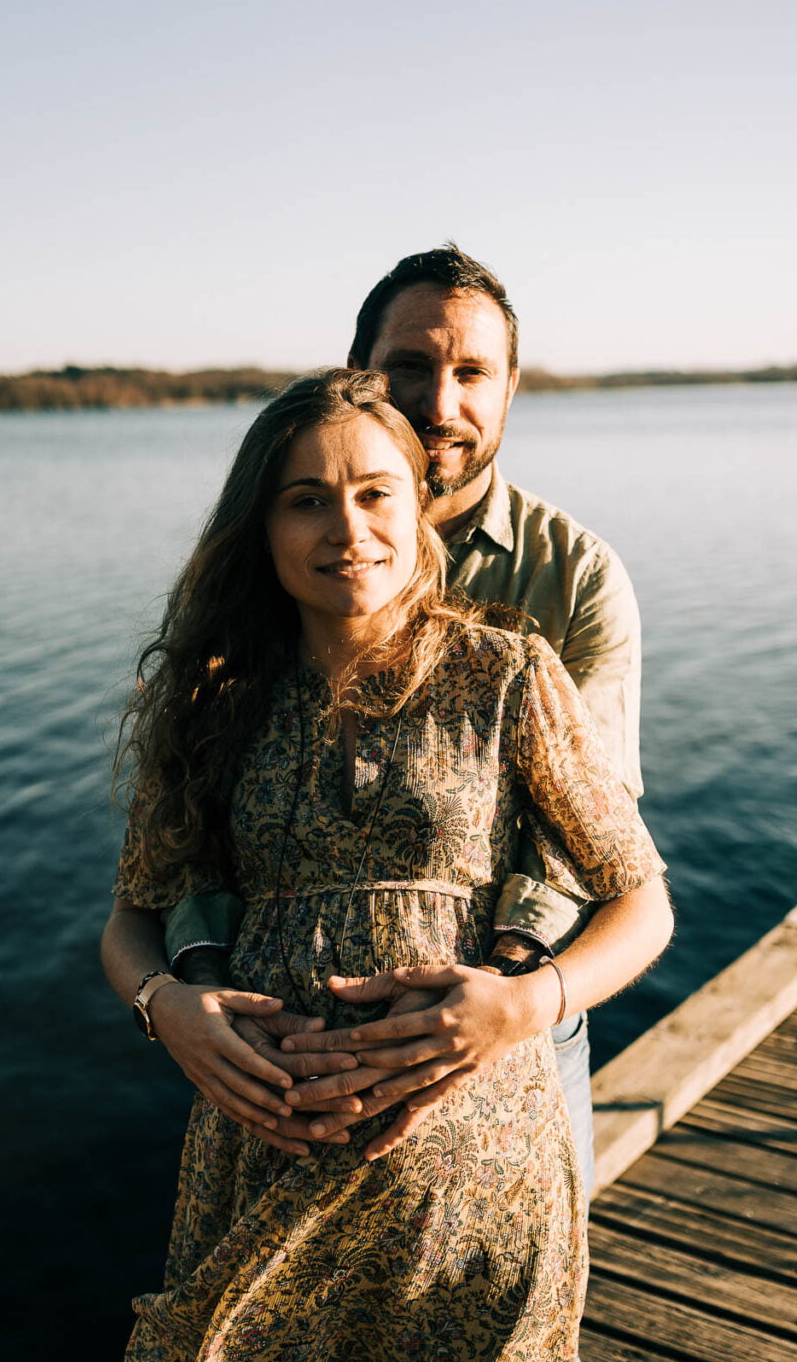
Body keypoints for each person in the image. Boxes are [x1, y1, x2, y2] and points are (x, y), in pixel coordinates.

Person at [102, 369, 669, 1362]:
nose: (344, 526)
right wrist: (166, 1006)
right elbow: (129, 922)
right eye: (305, 500)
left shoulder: (504, 673)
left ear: (419, 510)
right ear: (262, 528)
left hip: (476, 1175)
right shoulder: (210, 699)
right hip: (262, 1151)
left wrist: (531, 1002)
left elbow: (641, 903)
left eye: (373, 492)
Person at [153, 246, 649, 1188]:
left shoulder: (572, 580)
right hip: (283, 1060)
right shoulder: (275, 565)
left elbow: (598, 832)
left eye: (472, 374)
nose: (441, 403)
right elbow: (181, 835)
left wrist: (506, 996)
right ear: (359, 373)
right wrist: (185, 988)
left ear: (510, 389)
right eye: (411, 367)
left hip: (509, 1027)